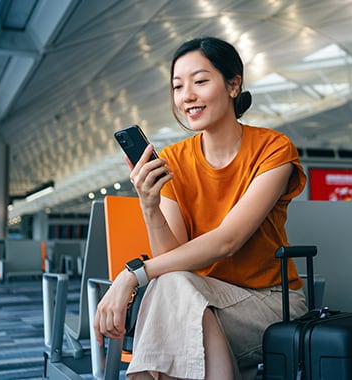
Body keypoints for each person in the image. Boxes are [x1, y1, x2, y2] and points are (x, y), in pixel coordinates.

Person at [94, 36, 308, 380]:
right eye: (178, 86)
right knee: (176, 292)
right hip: (194, 297)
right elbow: (173, 259)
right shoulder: (175, 161)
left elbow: (227, 241)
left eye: (200, 81)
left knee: (172, 305)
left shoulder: (273, 149)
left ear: (233, 84)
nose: (186, 96)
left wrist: (131, 275)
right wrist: (149, 205)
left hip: (269, 302)